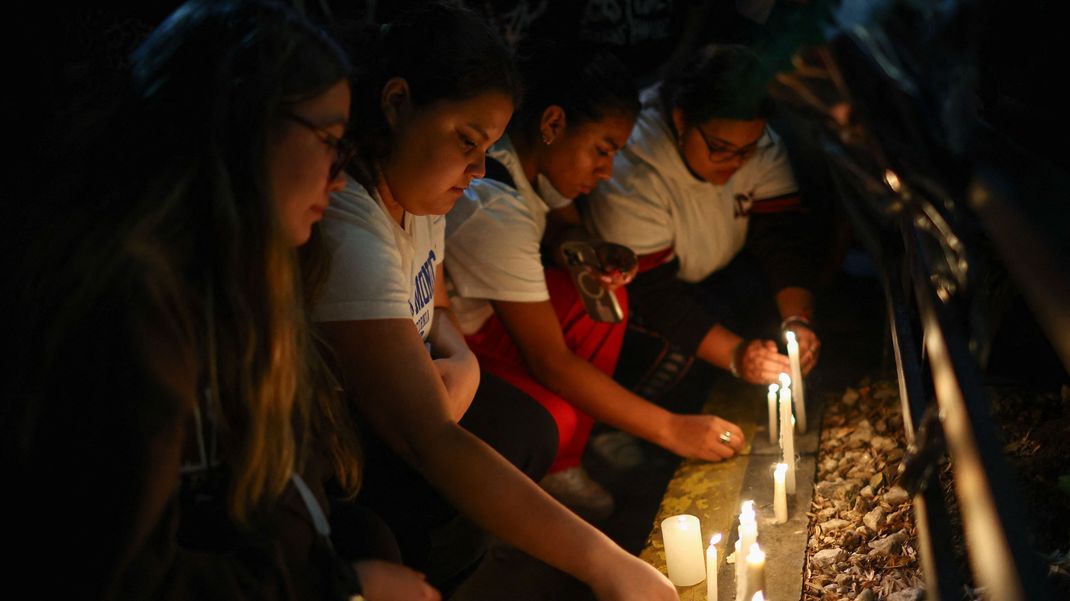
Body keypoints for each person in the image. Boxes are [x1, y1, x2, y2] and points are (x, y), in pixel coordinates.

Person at [4, 1, 436, 599]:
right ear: (244, 120)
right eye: (331, 142)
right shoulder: (131, 303)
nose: (340, 178)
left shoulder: (234, 277)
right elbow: (118, 577)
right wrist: (340, 588)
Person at [314, 4, 677, 599]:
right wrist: (609, 565)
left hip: (428, 383)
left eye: (488, 147)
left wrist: (463, 363)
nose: (479, 169)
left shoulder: (419, 192)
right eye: (466, 140)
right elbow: (425, 433)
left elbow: (436, 303)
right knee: (464, 467)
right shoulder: (351, 223)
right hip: (343, 444)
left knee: (528, 428)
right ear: (398, 102)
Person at [444, 41, 745, 520]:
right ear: (553, 124)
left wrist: (593, 253)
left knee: (605, 293)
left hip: (492, 317)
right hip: (459, 338)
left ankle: (577, 447)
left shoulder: (524, 159)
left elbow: (566, 230)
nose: (605, 173)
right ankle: (554, 464)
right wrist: (672, 429)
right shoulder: (494, 211)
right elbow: (551, 362)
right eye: (602, 151)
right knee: (555, 416)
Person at [583, 44, 822, 387]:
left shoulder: (760, 145)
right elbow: (656, 295)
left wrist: (798, 320)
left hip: (718, 269)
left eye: (748, 149)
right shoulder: (634, 170)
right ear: (682, 119)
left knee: (767, 313)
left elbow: (781, 235)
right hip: (641, 294)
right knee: (680, 352)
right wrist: (739, 357)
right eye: (720, 149)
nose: (736, 163)